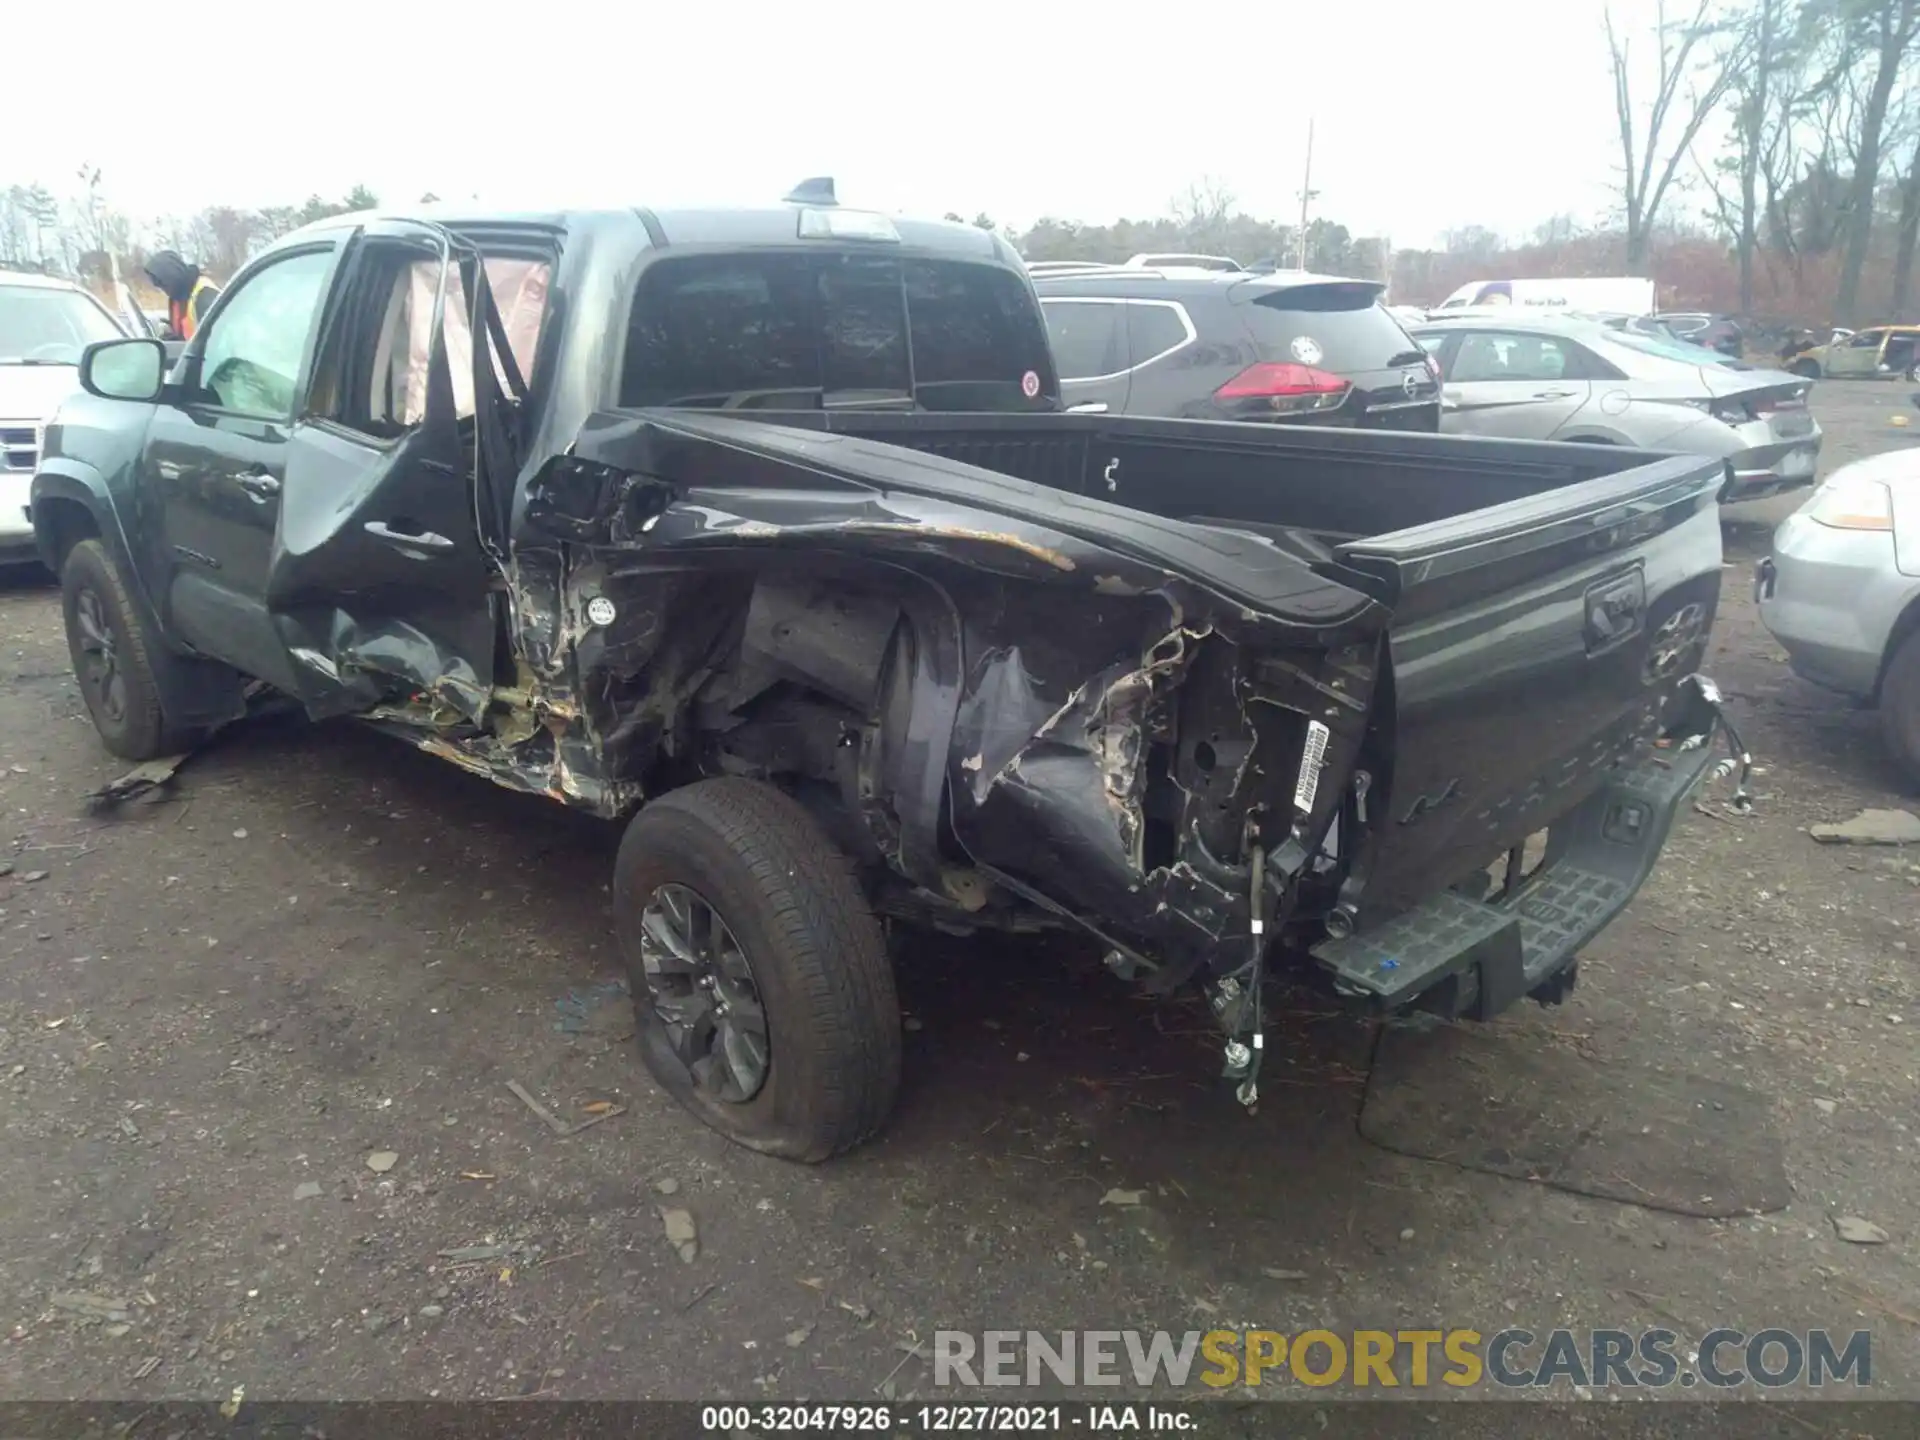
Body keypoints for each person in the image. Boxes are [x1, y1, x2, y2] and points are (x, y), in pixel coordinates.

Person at [143, 250, 221, 341]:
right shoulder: (178, 295)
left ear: (173, 276)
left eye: (164, 285)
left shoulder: (204, 296)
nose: (164, 291)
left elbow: (216, 340)